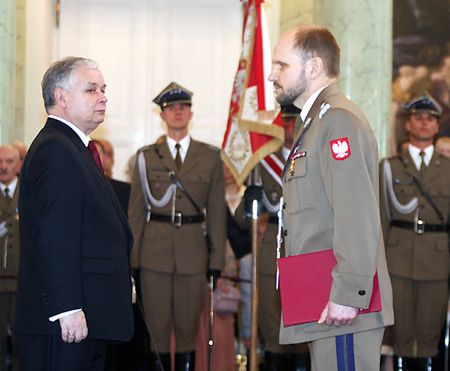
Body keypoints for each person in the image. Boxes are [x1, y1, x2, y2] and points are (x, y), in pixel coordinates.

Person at [268, 25, 394, 371]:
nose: (270, 75)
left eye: (281, 65)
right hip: (322, 297)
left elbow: (356, 213)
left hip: (342, 306)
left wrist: (347, 293)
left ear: (313, 67)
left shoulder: (338, 121)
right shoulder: (317, 122)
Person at [15, 56, 134, 371]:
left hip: (84, 316)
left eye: (103, 89)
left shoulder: (75, 149)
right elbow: (55, 236)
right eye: (91, 89)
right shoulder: (56, 150)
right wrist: (66, 307)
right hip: (62, 324)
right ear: (61, 97)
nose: (103, 96)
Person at [128, 82, 226, 371]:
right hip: (153, 255)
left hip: (193, 254)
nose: (178, 112)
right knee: (156, 328)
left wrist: (217, 259)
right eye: (172, 108)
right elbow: (136, 212)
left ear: (190, 113)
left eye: (183, 107)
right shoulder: (146, 157)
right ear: (162, 115)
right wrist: (133, 259)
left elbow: (217, 212)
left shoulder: (209, 156)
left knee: (186, 330)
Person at [235, 105, 311, 371]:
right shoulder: (263, 163)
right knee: (271, 322)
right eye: (285, 122)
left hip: (306, 245)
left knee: (304, 324)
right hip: (272, 247)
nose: (289, 127)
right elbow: (241, 219)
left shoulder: (312, 156)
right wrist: (249, 203)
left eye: (293, 121)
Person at [380, 95, 450, 370]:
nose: (424, 123)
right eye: (418, 118)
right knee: (402, 333)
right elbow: (382, 218)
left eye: (430, 119)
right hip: (398, 260)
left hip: (436, 262)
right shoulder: (390, 167)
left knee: (430, 333)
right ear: (408, 124)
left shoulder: (447, 169)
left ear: (437, 127)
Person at [0, 145, 21, 370]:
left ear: (18, 164)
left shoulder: (29, 191)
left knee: (20, 342)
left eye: (9, 161)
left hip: (22, 282)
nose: (3, 166)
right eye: (0, 161)